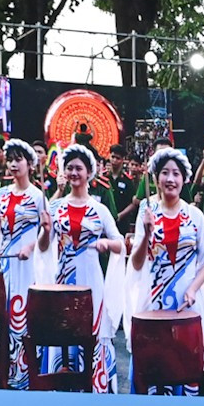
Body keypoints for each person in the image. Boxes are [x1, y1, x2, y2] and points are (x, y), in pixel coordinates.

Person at [127, 147, 204, 395]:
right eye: (165, 173)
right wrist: (147, 233)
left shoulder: (195, 216)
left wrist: (192, 289)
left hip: (187, 306)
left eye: (176, 173)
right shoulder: (146, 213)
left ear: (184, 179)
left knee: (187, 368)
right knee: (155, 369)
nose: (171, 179)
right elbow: (136, 264)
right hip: (153, 304)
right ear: (156, 179)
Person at [41, 142, 125, 392]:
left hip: (91, 279)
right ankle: (62, 381)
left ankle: (94, 384)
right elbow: (44, 246)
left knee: (92, 330)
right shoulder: (55, 207)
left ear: (89, 172)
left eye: (79, 168)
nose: (74, 173)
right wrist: (46, 230)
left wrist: (106, 243)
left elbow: (121, 244)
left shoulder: (99, 209)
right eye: (70, 168)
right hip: (63, 278)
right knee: (62, 330)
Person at [0, 139, 48, 389]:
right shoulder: (1, 194)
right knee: (1, 317)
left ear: (30, 164)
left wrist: (30, 247)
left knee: (23, 320)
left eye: (18, 159)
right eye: (10, 159)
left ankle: (24, 378)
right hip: (5, 264)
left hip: (28, 266)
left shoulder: (38, 196)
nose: (13, 164)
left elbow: (46, 234)